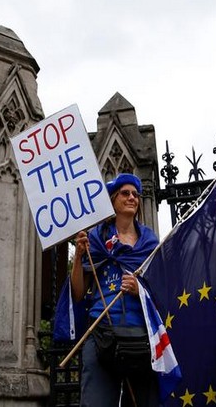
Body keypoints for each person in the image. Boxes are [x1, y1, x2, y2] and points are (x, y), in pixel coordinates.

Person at [71, 173, 160, 407]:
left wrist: (138, 289)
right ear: (113, 200)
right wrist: (79, 256)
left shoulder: (150, 242)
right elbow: (79, 293)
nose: (132, 198)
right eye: (125, 193)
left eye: (135, 194)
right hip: (101, 333)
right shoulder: (96, 239)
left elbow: (161, 290)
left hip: (141, 336)